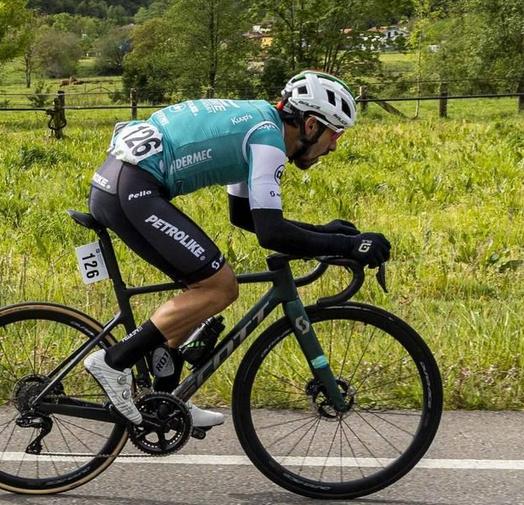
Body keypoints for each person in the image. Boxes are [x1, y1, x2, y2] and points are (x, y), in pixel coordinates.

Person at [83, 71, 389, 426]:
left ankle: (165, 400)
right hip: (133, 188)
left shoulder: (258, 123)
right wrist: (350, 244)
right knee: (220, 286)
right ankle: (113, 361)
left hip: (120, 184)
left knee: (200, 287)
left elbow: (245, 217)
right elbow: (271, 233)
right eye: (334, 134)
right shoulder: (268, 141)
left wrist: (325, 234)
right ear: (309, 125)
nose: (334, 146)